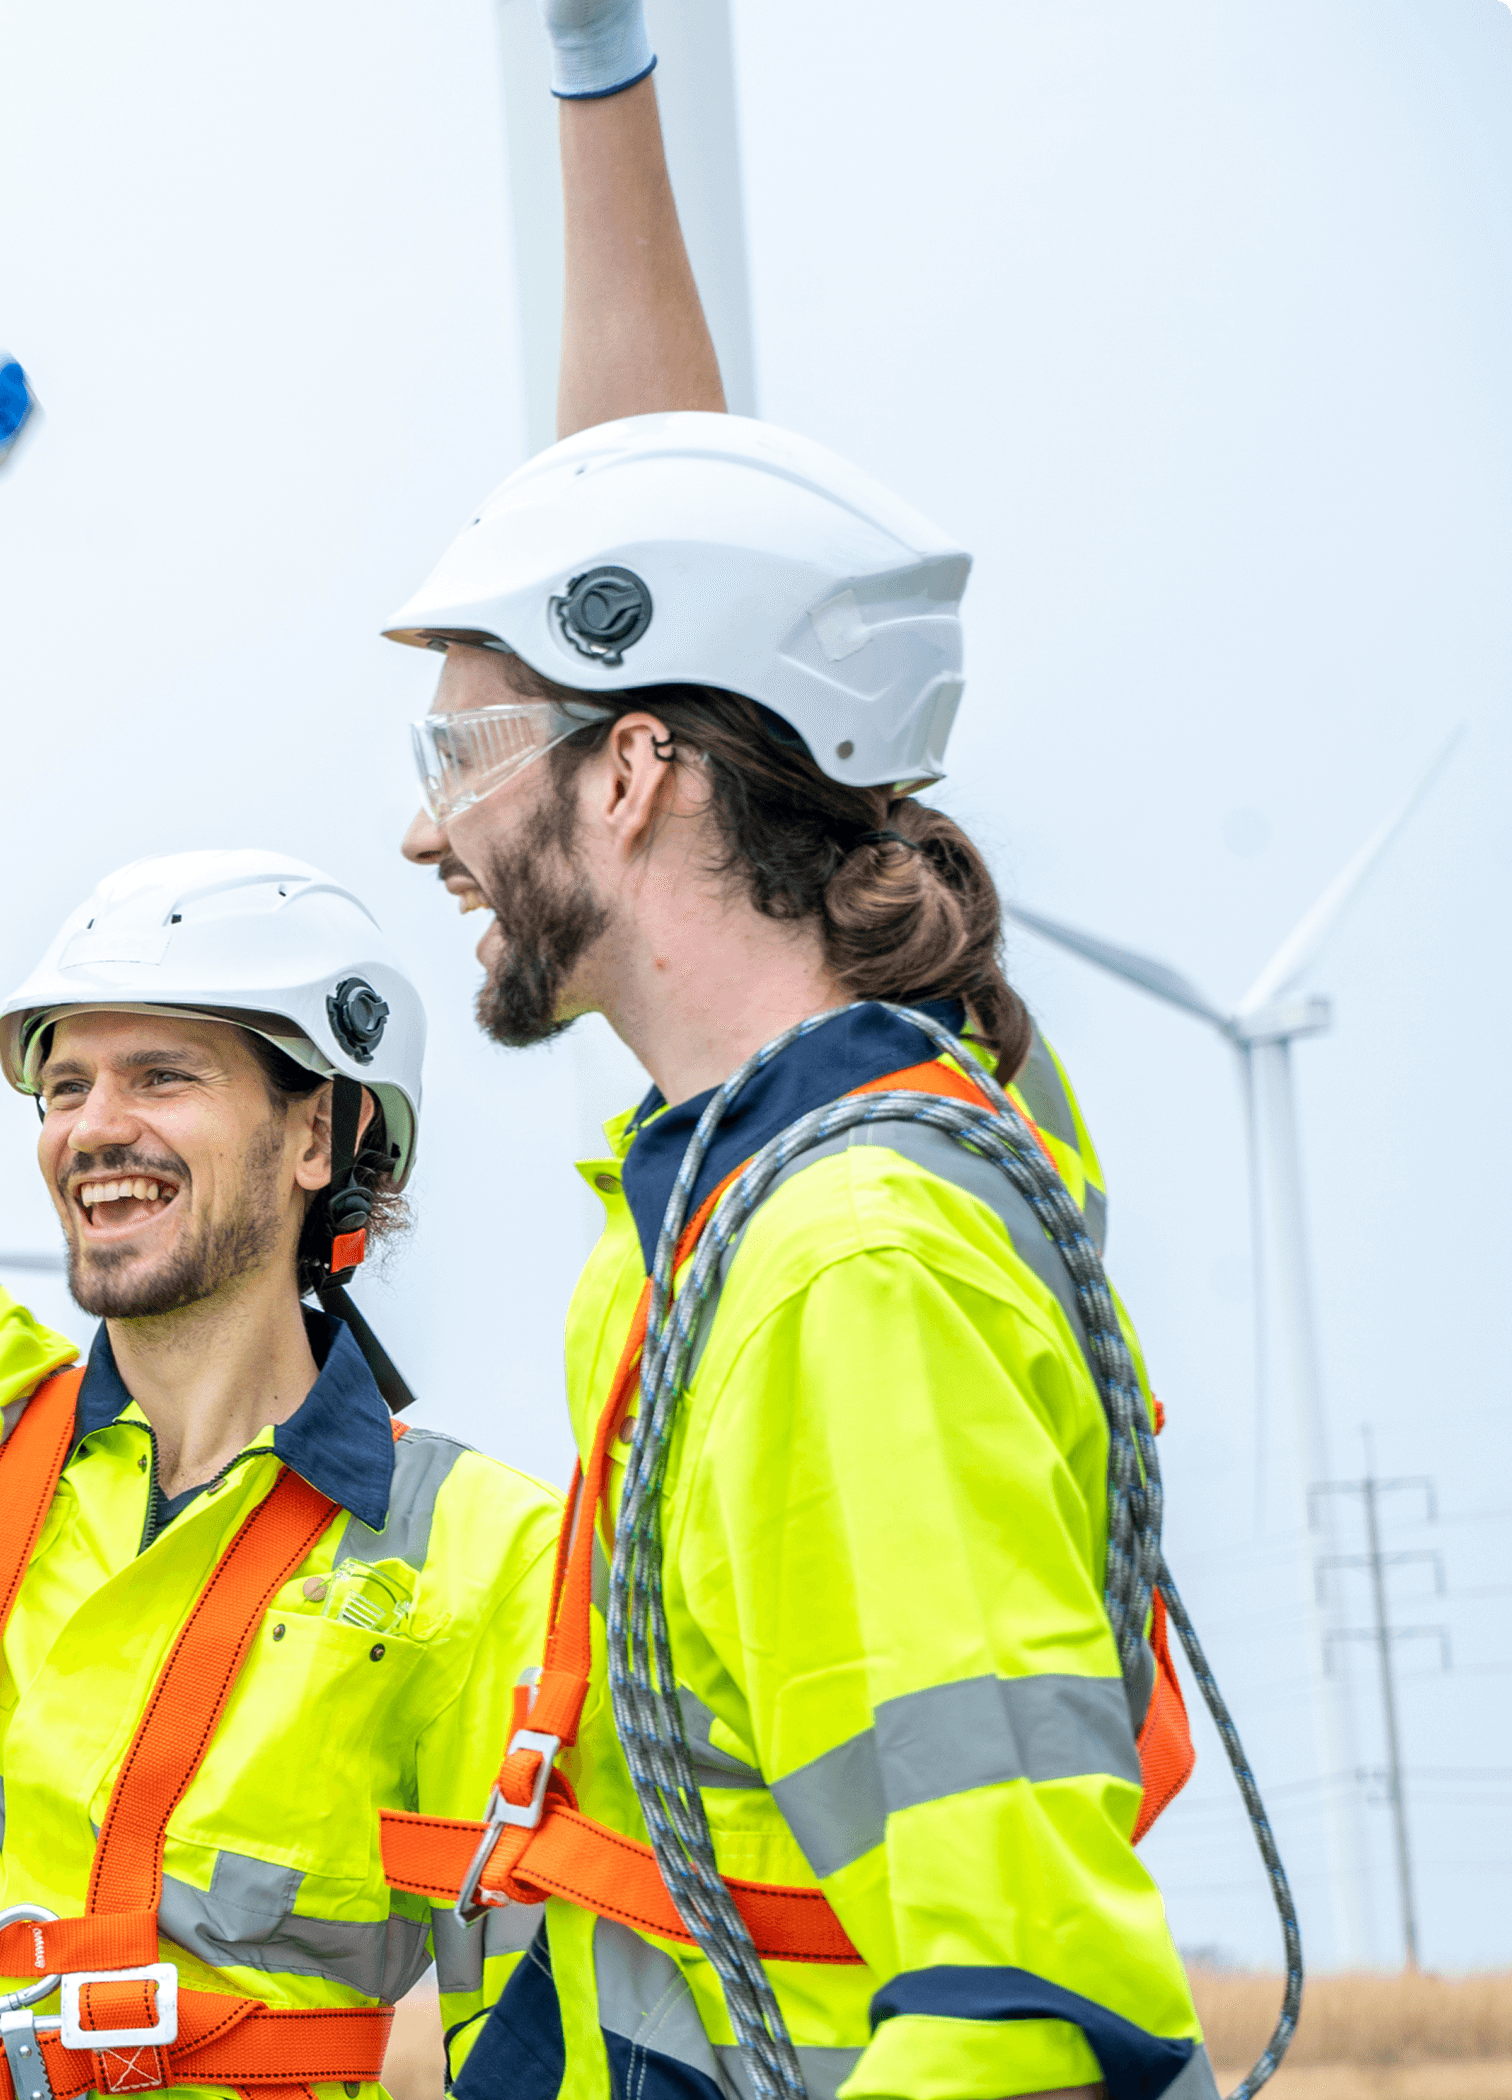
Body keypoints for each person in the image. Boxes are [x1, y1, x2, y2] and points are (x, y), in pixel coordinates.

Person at [376, 6, 1215, 2098]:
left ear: (640, 771)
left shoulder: (851, 1268)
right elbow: (656, 524)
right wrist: (597, 86)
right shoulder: (810, 1148)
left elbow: (1037, 2010)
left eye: (462, 752)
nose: (423, 830)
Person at [0, 353, 560, 2100]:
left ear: (320, 1129)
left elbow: (535, 2040)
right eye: (62, 1082)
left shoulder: (481, 1562)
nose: (91, 1127)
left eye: (162, 1076)